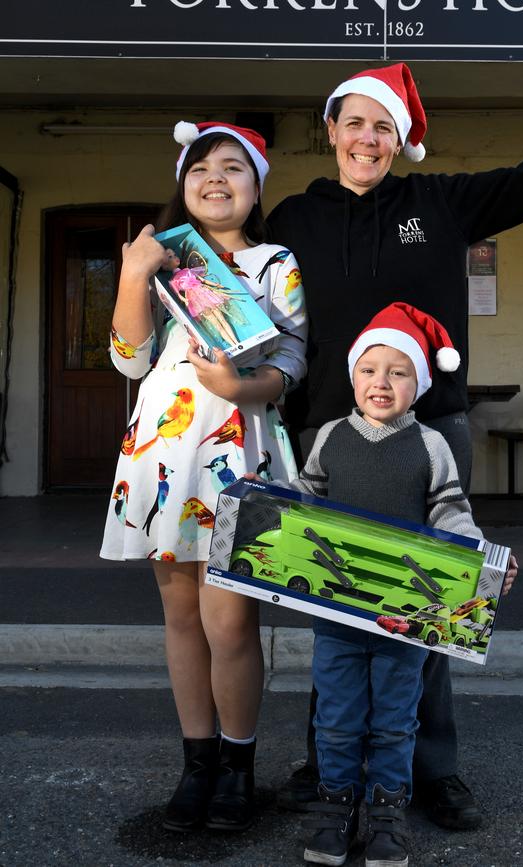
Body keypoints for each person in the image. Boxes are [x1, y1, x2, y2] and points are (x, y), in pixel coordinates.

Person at [267, 20, 523, 829]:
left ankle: (429, 768)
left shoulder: (440, 202)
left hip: (430, 432)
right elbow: (241, 299)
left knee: (428, 600)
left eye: (383, 126)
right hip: (326, 436)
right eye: (354, 122)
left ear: (398, 139)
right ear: (330, 129)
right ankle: (328, 756)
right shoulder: (294, 218)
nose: (367, 139)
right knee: (332, 599)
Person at [100, 120, 307, 833]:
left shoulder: (276, 261)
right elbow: (129, 358)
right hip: (165, 449)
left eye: (232, 168)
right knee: (182, 617)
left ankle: (239, 767)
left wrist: (247, 386)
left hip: (240, 448)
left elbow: (295, 356)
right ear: (183, 185)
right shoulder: (163, 256)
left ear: (255, 188)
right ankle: (197, 764)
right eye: (200, 168)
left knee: (231, 621)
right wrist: (132, 273)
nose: (215, 179)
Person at [289, 303, 512, 867]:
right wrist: (265, 508)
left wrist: (483, 561)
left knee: (394, 720)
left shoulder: (431, 446)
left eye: (398, 371)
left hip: (404, 621)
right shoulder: (330, 438)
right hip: (336, 616)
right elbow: (304, 502)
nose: (381, 382)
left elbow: (453, 517)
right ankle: (335, 808)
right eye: (369, 369)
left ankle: (388, 813)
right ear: (351, 377)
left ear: (419, 382)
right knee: (336, 719)